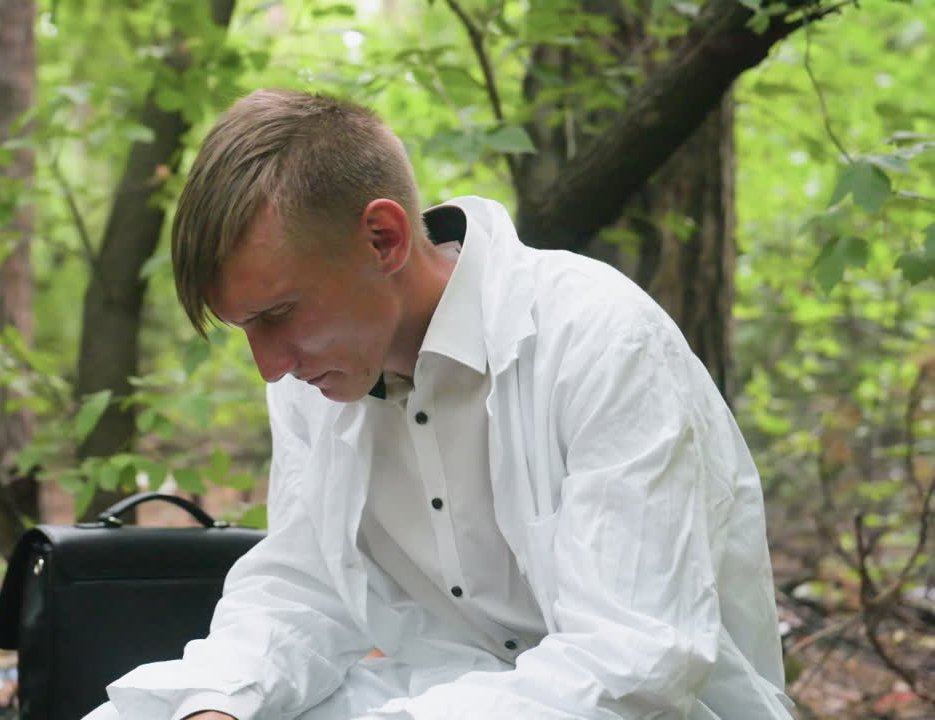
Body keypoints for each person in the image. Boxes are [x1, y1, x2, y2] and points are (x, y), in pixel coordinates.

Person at [83, 88, 794, 719]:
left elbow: (634, 667)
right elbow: (307, 586)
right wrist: (217, 704)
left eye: (278, 315)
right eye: (247, 330)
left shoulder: (599, 339)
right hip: (440, 695)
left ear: (383, 237)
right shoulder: (321, 376)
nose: (270, 367)